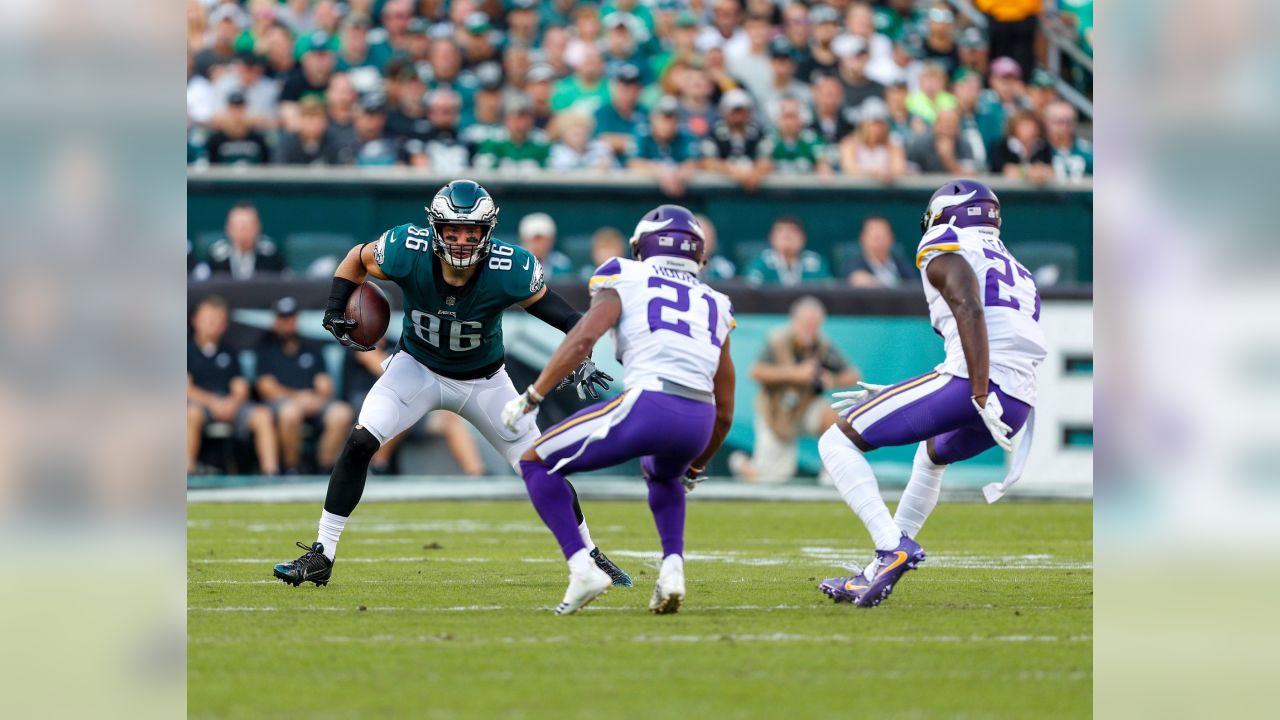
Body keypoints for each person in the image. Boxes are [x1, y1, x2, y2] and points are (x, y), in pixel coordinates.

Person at [272, 180, 630, 588]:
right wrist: (336, 307)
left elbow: (566, 318)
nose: (462, 241)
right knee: (360, 441)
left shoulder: (509, 269)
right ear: (436, 229)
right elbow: (356, 258)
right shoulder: (407, 249)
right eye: (453, 231)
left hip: (485, 382)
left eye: (472, 232)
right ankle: (323, 553)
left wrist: (580, 355)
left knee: (538, 465)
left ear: (487, 231)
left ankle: (590, 554)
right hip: (416, 367)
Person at [817, 179, 1046, 608]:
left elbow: (968, 306)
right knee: (931, 455)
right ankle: (875, 572)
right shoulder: (1020, 269)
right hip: (1017, 402)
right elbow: (1006, 337)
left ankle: (891, 547)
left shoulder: (947, 238)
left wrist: (976, 390)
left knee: (836, 440)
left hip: (974, 385)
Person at [501, 205, 736, 615]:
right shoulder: (715, 301)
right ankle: (673, 568)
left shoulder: (624, 273)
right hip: (698, 417)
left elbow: (583, 336)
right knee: (664, 475)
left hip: (649, 404)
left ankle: (582, 567)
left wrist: (533, 395)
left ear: (642, 246)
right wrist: (698, 465)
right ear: (697, 253)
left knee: (534, 462)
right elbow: (726, 404)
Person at [731, 297, 858, 484]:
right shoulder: (777, 340)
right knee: (771, 478)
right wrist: (795, 374)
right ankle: (742, 464)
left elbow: (853, 375)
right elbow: (756, 372)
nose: (811, 330)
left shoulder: (823, 345)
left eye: (815, 325)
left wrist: (832, 380)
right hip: (775, 412)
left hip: (806, 407)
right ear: (795, 321)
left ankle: (831, 469)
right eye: (807, 325)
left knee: (834, 413)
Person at [254, 297, 353, 474]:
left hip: (312, 402)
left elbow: (325, 386)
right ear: (276, 321)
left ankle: (324, 467)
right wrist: (298, 397)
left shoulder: (311, 349)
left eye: (291, 318)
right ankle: (293, 467)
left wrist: (316, 398)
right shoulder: (266, 350)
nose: (288, 323)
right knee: (290, 412)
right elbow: (266, 388)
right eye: (283, 318)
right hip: (283, 403)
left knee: (342, 412)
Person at [187, 295, 279, 475]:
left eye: (218, 320)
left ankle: (271, 473)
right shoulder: (186, 350)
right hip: (200, 405)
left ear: (225, 324)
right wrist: (213, 403)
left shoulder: (230, 351)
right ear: (195, 321)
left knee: (263, 415)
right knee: (191, 414)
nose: (214, 324)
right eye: (209, 319)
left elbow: (240, 386)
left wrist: (232, 403)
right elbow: (186, 389)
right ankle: (187, 471)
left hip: (229, 404)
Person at [627, 96, 702, 197]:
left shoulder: (685, 134)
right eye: (663, 118)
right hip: (644, 196)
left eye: (672, 118)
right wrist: (662, 174)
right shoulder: (642, 133)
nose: (668, 124)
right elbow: (633, 162)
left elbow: (693, 162)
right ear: (653, 118)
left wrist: (677, 176)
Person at [701, 89, 773, 191]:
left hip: (754, 189)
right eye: (734, 111)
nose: (738, 115)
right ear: (724, 111)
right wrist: (735, 173)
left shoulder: (758, 132)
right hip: (722, 191)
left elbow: (766, 160)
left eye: (742, 110)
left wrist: (755, 173)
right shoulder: (714, 133)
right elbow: (708, 161)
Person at [743, 216, 832, 286]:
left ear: (803, 238)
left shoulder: (815, 262)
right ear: (772, 238)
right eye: (781, 231)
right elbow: (751, 289)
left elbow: (828, 289)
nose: (787, 235)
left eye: (793, 231)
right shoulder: (761, 261)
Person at [207, 202, 286, 278]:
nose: (243, 230)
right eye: (238, 226)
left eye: (248, 225)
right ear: (228, 228)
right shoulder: (217, 257)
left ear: (258, 227)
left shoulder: (271, 255)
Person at [839, 98, 908, 181]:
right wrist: (876, 173)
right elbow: (849, 169)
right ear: (864, 124)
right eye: (873, 123)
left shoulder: (893, 144)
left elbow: (899, 168)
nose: (877, 128)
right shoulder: (850, 143)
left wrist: (887, 173)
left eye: (881, 123)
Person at [844, 216, 914, 287]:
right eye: (875, 237)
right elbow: (857, 279)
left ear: (891, 238)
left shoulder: (901, 264)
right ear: (863, 238)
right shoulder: (853, 264)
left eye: (883, 236)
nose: (879, 241)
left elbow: (913, 285)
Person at [770, 96, 831, 176]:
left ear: (802, 118)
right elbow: (762, 163)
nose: (789, 123)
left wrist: (822, 167)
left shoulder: (812, 140)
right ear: (778, 118)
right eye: (786, 116)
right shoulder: (770, 141)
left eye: (793, 117)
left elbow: (823, 162)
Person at [989, 109, 1054, 184]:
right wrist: (1029, 172)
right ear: (1015, 126)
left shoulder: (1043, 146)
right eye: (1025, 125)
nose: (1029, 129)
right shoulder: (1001, 146)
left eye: (1032, 125)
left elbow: (1049, 170)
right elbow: (1007, 169)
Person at [906, 107, 976, 174]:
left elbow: (968, 178)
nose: (947, 130)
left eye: (951, 125)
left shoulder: (964, 145)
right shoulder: (919, 145)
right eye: (944, 124)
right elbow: (910, 176)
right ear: (935, 125)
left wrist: (948, 159)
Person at [1044, 101, 1093, 181]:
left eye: (1069, 122)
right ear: (1047, 122)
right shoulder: (1038, 149)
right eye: (1059, 121)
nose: (1064, 126)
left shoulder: (1087, 150)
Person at [517, 212, 575, 280]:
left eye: (542, 240)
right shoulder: (512, 264)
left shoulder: (563, 265)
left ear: (551, 241)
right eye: (533, 240)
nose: (537, 245)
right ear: (522, 241)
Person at [696, 213, 736, 281]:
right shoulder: (679, 267)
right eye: (698, 237)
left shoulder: (721, 267)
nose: (704, 243)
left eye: (708, 237)